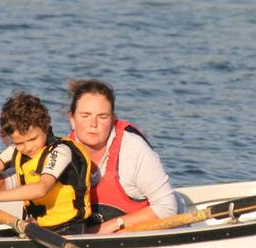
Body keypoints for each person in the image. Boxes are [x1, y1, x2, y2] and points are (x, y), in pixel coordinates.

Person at [0, 92, 92, 236]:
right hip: (35, 227)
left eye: (32, 139)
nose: (28, 147)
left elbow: (41, 188)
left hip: (67, 230)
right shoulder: (16, 150)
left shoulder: (61, 151)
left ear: (45, 127)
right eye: (19, 143)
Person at [67, 79, 179, 234]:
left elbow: (167, 207)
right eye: (85, 115)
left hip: (158, 231)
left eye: (102, 116)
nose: (93, 123)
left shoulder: (133, 149)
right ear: (72, 119)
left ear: (113, 120)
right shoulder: (62, 153)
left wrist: (111, 226)